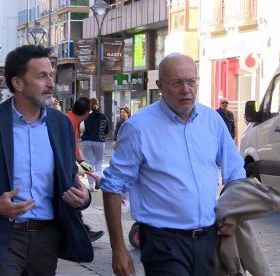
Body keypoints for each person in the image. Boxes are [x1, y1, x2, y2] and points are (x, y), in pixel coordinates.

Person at [0, 45, 93, 275]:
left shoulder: (60, 124)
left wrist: (83, 197)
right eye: (41, 76)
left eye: (51, 75)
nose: (51, 83)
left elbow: (69, 180)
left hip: (47, 239)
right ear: (18, 83)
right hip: (2, 237)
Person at [100, 52, 246, 276]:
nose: (186, 89)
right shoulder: (139, 127)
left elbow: (235, 170)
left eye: (191, 81)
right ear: (160, 85)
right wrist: (118, 248)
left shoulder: (212, 120)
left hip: (209, 239)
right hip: (163, 243)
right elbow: (113, 185)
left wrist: (234, 212)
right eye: (176, 83)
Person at [66, 97, 104, 242]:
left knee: (72, 200)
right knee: (74, 198)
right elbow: (66, 147)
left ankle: (83, 231)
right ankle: (83, 232)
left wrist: (81, 161)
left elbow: (73, 146)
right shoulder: (69, 122)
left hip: (68, 167)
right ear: (87, 113)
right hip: (64, 169)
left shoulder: (71, 120)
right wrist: (74, 168)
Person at [81, 98, 109, 191]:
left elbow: (81, 127)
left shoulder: (86, 115)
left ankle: (91, 185)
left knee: (88, 162)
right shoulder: (103, 116)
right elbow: (106, 130)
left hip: (86, 141)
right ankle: (99, 180)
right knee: (98, 162)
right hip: (99, 141)